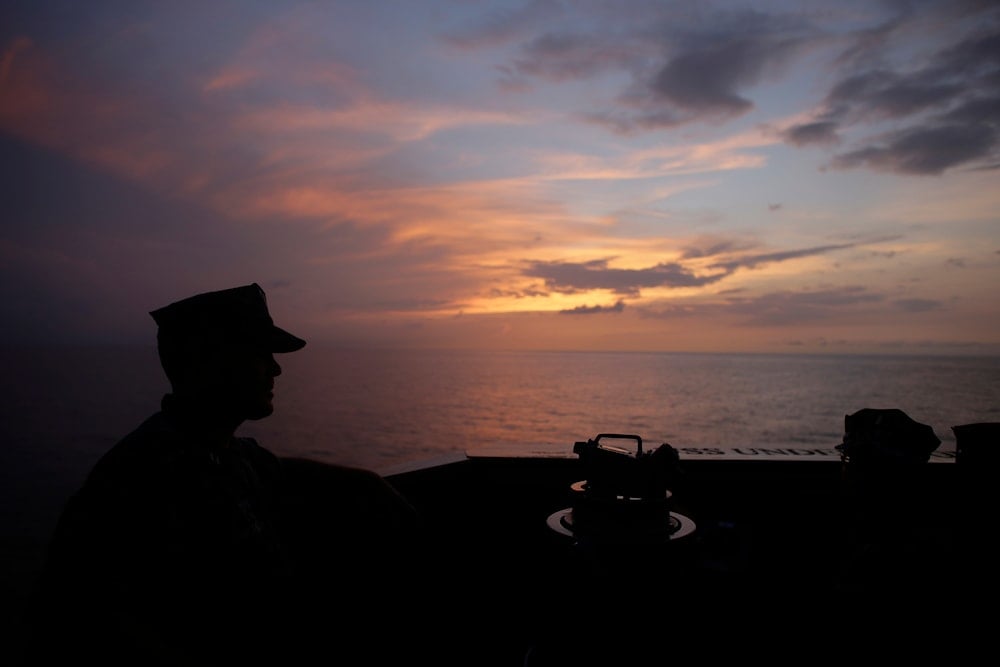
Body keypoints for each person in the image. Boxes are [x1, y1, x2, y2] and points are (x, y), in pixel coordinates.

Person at [23, 283, 428, 666]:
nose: (276, 370)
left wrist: (369, 485)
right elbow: (85, 615)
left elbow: (281, 472)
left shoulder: (226, 454)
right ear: (212, 362)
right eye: (261, 354)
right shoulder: (137, 483)